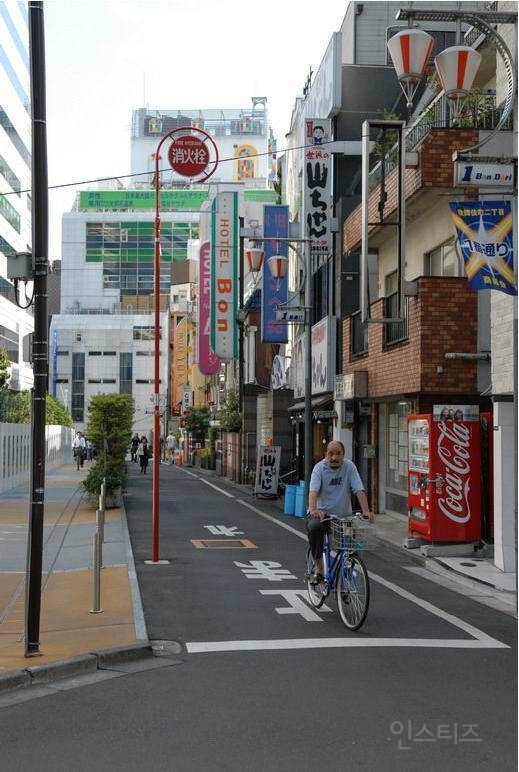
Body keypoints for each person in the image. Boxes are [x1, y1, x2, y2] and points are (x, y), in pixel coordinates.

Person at [307, 440, 374, 584]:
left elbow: (359, 489)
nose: (334, 458)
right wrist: (313, 509)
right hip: (323, 516)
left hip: (343, 517)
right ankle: (319, 568)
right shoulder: (319, 468)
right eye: (331, 454)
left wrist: (366, 511)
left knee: (352, 547)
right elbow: (313, 491)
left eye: (338, 454)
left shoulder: (349, 467)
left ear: (344, 455)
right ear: (326, 454)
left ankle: (347, 576)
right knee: (314, 529)